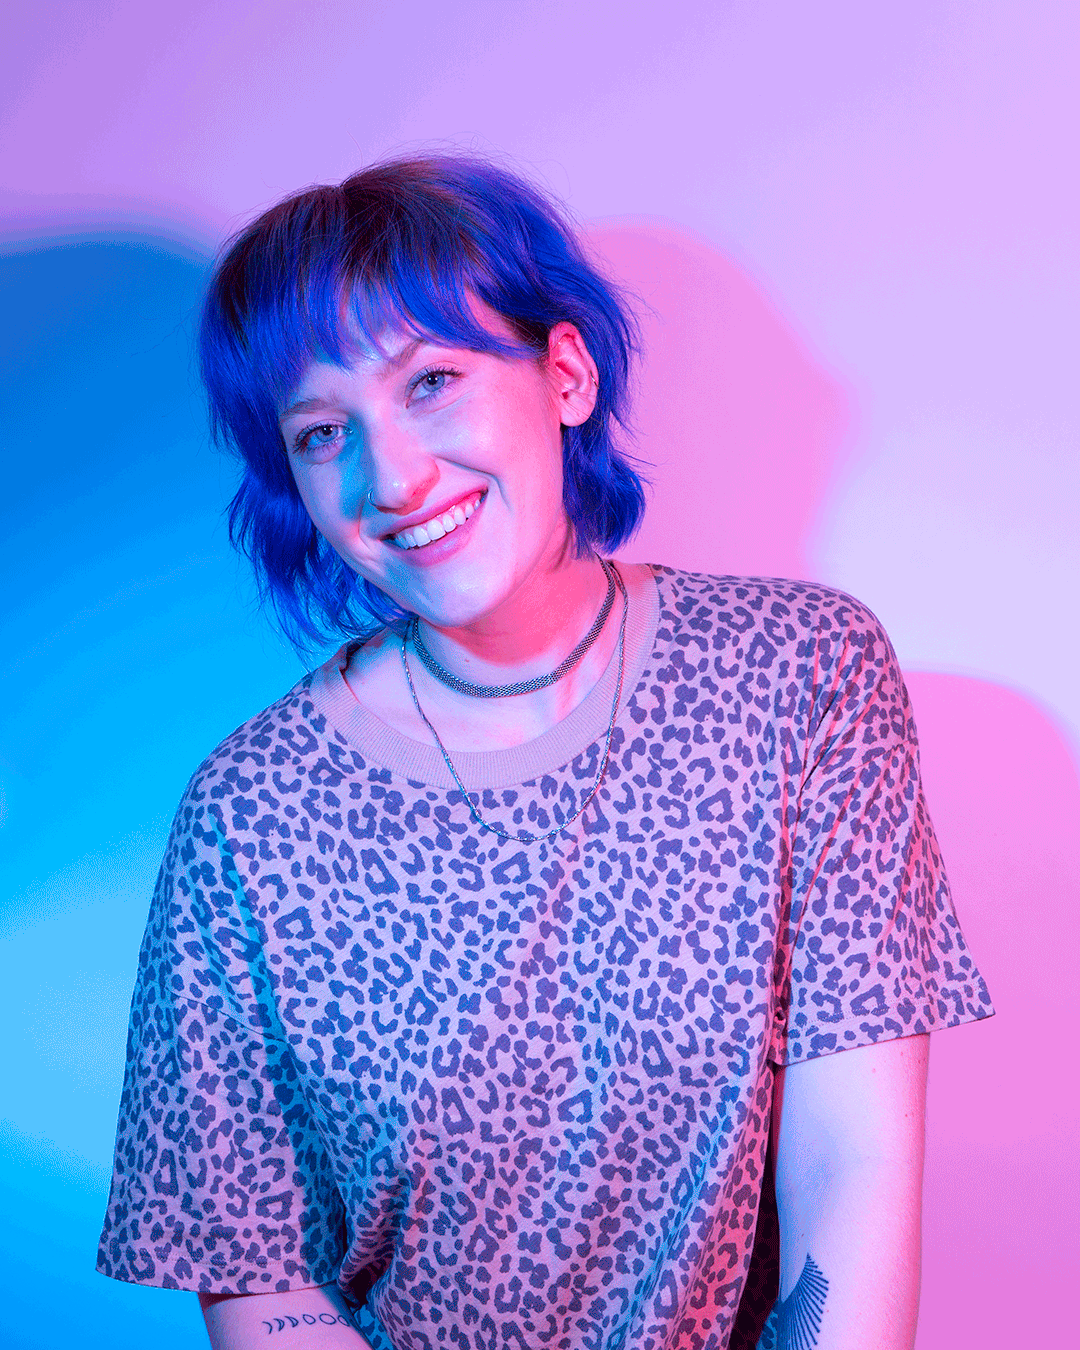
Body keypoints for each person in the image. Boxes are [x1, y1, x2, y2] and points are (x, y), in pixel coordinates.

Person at [96, 154, 994, 1350]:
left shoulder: (802, 678)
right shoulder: (248, 816)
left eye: (432, 382)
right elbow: (263, 1279)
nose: (390, 478)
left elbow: (851, 1168)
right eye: (321, 432)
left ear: (565, 373)